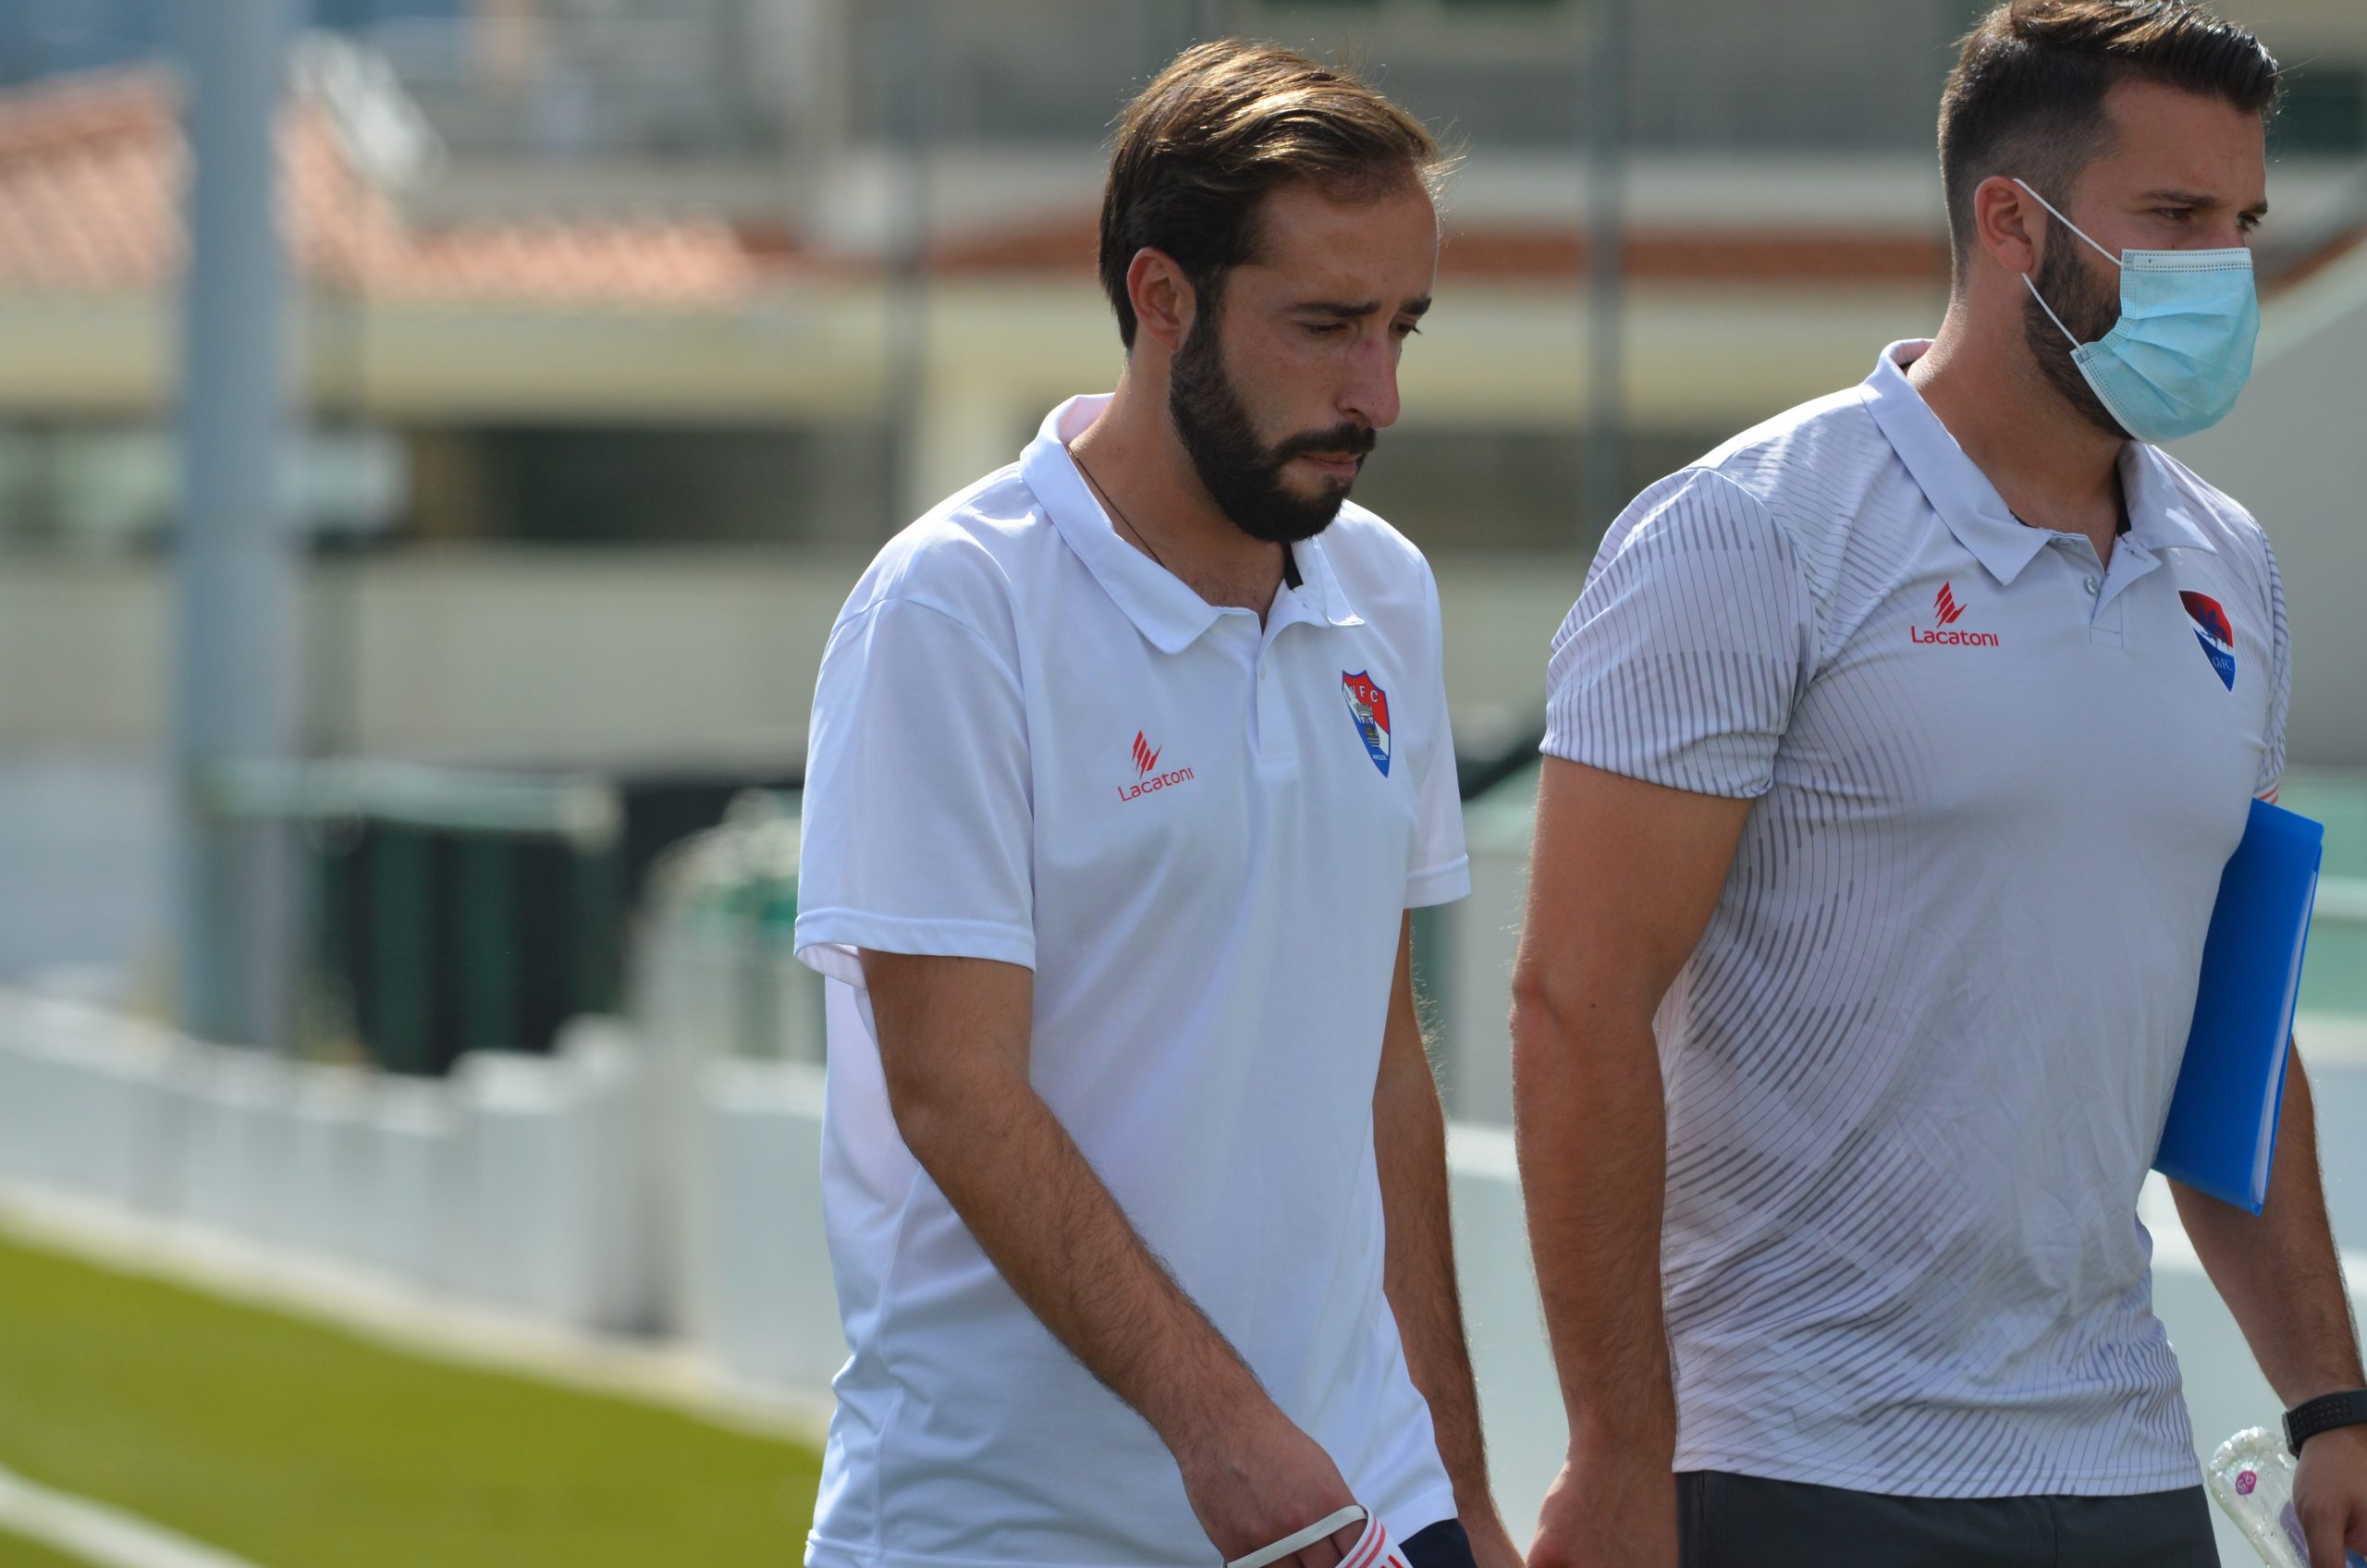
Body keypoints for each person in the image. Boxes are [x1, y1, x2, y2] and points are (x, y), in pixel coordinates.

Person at [1509, 4, 2367, 1565]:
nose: (2221, 273)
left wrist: (2332, 1404)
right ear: (2010, 222)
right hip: (1793, 1460)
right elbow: (1576, 1004)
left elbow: (2231, 1035)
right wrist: (1618, 1449)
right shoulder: (1748, 531)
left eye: (2241, 225)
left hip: (2124, 1463)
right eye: (2175, 217)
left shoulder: (2231, 564)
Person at [792, 40, 1518, 1568]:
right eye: (1325, 326)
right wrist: (1219, 1430)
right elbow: (954, 1089)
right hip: (1008, 1527)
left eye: (1401, 326)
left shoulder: (1387, 593)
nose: (1377, 392)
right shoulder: (953, 608)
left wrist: (1457, 1491)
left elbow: (1379, 1059)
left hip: (1360, 1498)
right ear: (1162, 296)